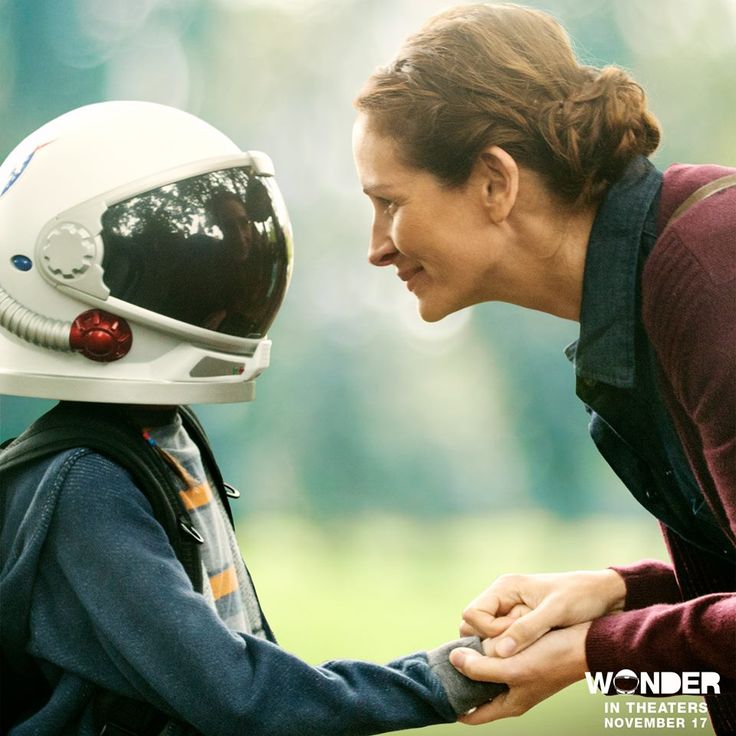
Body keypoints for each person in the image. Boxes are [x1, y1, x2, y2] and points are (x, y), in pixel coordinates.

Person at [0, 101, 500, 735]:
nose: (231, 289)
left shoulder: (163, 436)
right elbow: (238, 698)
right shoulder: (84, 486)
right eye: (201, 264)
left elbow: (245, 649)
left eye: (242, 252)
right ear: (71, 270)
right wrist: (447, 679)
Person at [352, 3, 735, 733]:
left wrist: (593, 655)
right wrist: (616, 597)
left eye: (389, 202)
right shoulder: (652, 291)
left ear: (496, 181)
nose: (376, 246)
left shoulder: (714, 279)